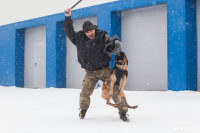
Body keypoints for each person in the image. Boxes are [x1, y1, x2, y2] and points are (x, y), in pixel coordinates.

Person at [64, 8, 130, 122]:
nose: (90, 33)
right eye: (88, 32)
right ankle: (83, 110)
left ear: (94, 29)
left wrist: (116, 48)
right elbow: (69, 31)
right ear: (84, 33)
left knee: (115, 90)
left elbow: (114, 44)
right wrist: (68, 17)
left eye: (92, 30)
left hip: (104, 69)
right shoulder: (79, 39)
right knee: (85, 92)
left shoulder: (102, 36)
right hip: (90, 72)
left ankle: (123, 112)